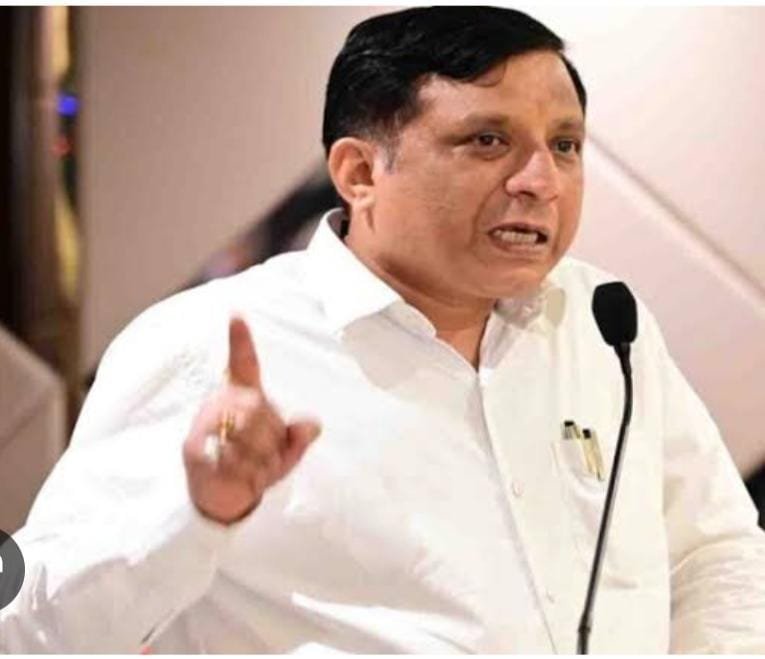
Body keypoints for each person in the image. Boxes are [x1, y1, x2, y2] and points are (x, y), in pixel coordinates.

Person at [2, 6, 765, 653]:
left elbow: (716, 553)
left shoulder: (602, 322)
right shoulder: (206, 344)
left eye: (563, 145)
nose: (540, 181)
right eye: (487, 140)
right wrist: (195, 512)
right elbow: (30, 630)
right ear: (359, 172)